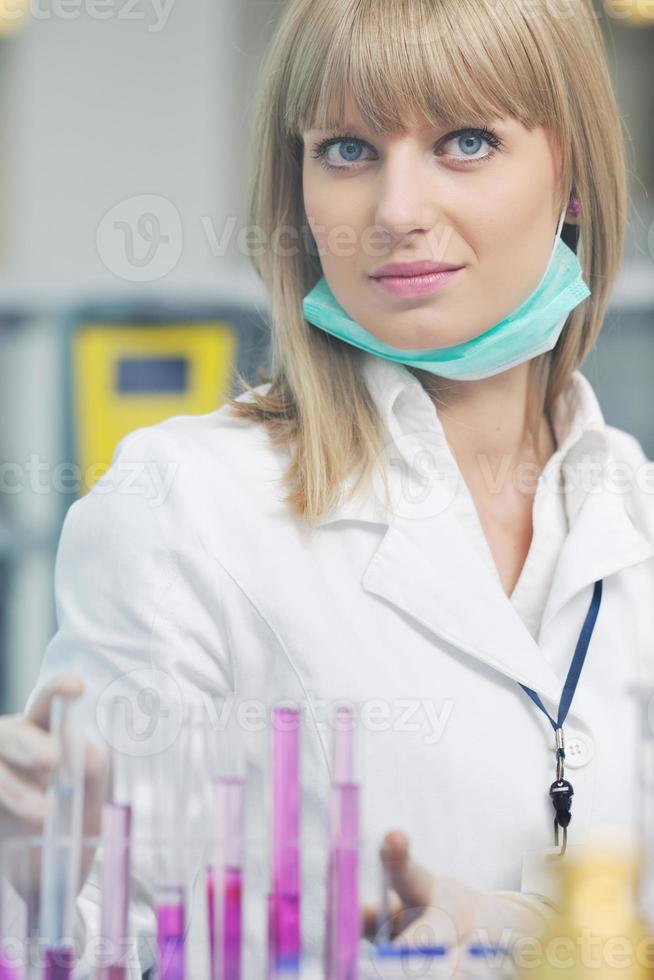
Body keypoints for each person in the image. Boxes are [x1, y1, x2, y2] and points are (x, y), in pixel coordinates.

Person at [2, 0, 654, 976]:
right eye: (347, 149)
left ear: (573, 181)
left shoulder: (634, 513)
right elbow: (100, 937)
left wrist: (536, 937)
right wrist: (41, 879)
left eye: (465, 140)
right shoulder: (185, 504)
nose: (395, 211)